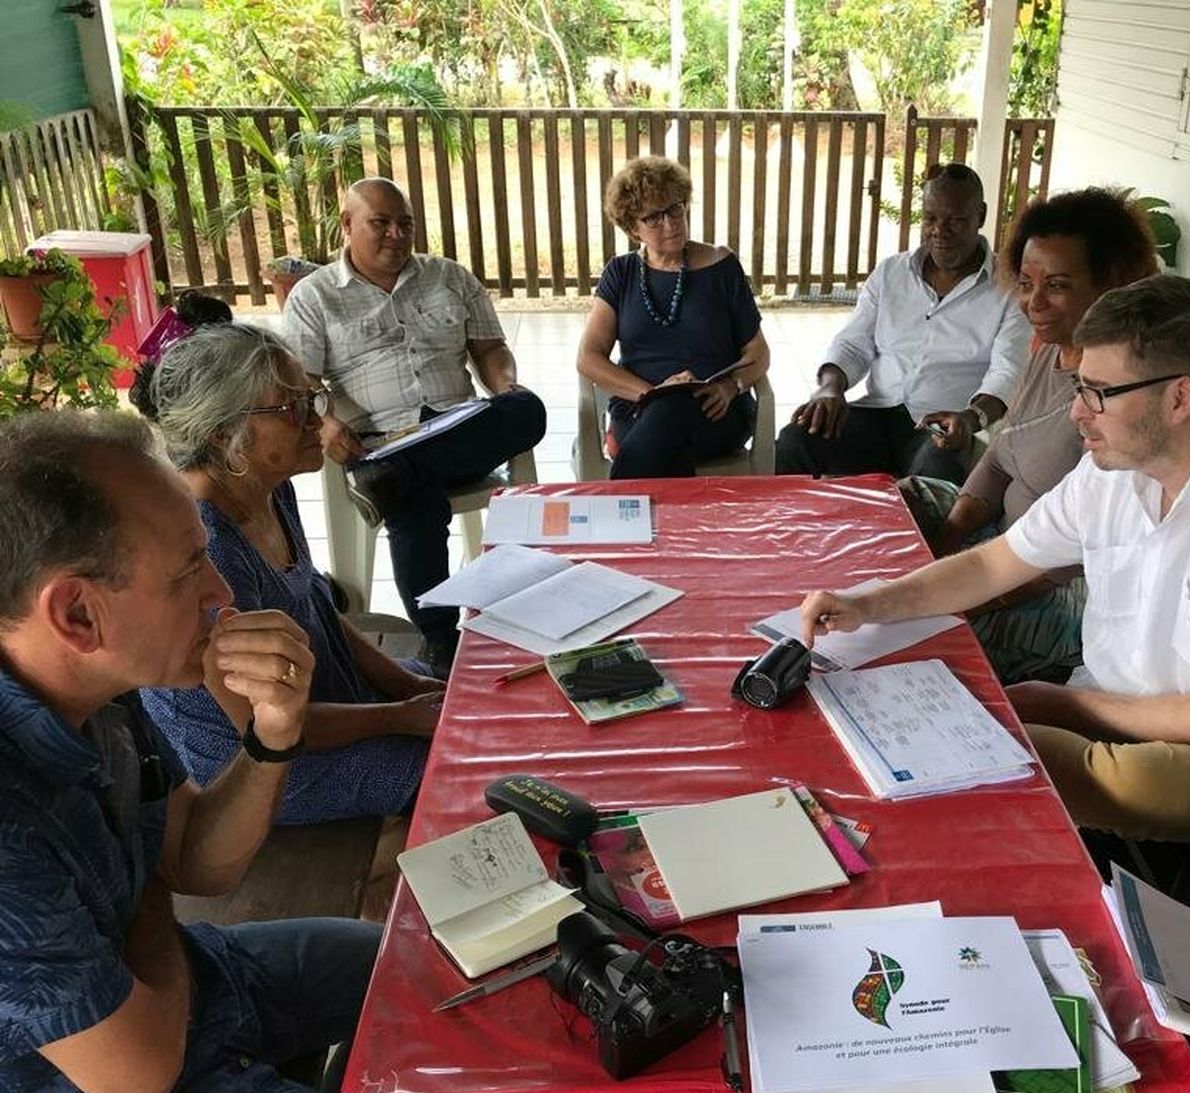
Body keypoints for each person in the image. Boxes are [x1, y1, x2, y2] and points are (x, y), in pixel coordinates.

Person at [798, 274, 1190, 839]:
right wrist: (867, 604)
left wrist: (1070, 704)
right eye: (1079, 388)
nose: (1078, 413)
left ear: (1179, 397)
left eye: (1098, 392)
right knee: (968, 727)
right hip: (1124, 711)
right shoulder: (1114, 474)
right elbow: (992, 564)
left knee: (1062, 767)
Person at [0, 411, 378, 1093]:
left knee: (414, 963)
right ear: (75, 614)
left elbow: (197, 858)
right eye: (189, 572)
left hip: (197, 994)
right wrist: (149, 897)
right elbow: (135, 1075)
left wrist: (274, 736)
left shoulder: (99, 687)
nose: (223, 593)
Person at [131, 318, 440, 825]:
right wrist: (397, 715)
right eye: (291, 409)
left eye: (311, 399)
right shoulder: (205, 544)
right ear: (224, 431)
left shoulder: (267, 486)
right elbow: (263, 726)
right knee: (443, 766)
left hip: (314, 698)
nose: (317, 419)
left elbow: (313, 601)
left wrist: (404, 687)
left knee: (457, 699)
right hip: (260, 764)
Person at [281, 177, 547, 671]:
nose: (396, 236)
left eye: (405, 224)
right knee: (413, 497)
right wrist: (326, 423)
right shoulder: (315, 298)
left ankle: (399, 481)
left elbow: (490, 350)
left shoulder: (448, 277)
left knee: (527, 410)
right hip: (379, 441)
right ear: (347, 226)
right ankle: (440, 636)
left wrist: (505, 385)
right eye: (380, 224)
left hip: (459, 427)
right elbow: (302, 384)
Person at [899, 187, 1161, 685]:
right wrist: (946, 542)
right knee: (901, 505)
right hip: (1005, 543)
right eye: (1025, 283)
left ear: (1111, 287)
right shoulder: (1051, 352)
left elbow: (1074, 557)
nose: (1034, 302)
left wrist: (969, 590)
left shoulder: (1122, 394)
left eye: (1057, 285)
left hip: (1057, 587)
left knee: (928, 637)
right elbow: (999, 458)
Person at [775, 162, 1030, 484]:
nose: (939, 230)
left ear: (981, 216)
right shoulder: (891, 272)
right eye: (930, 218)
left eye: (957, 220)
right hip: (877, 413)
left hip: (941, 424)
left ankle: (920, 535)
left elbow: (1007, 371)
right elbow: (854, 343)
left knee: (936, 470)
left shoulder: (1008, 288)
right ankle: (793, 532)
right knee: (795, 439)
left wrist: (971, 418)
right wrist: (830, 387)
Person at [577, 155, 772, 478]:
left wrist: (731, 386)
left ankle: (616, 515)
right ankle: (671, 525)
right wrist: (651, 394)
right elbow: (588, 357)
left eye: (674, 209)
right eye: (653, 218)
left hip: (715, 408)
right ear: (632, 228)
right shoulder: (621, 273)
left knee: (668, 421)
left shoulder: (721, 265)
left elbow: (758, 353)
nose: (670, 223)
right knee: (667, 435)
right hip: (638, 403)